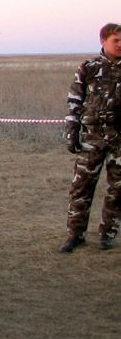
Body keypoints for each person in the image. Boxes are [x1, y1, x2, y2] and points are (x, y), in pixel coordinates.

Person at [59, 22, 121, 252]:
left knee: (118, 189)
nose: (120, 44)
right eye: (116, 40)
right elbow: (74, 102)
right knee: (81, 187)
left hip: (119, 139)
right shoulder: (88, 68)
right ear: (103, 41)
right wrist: (72, 133)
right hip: (92, 137)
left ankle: (108, 234)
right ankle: (75, 235)